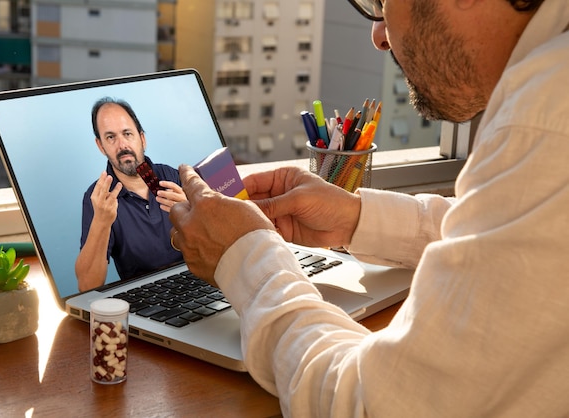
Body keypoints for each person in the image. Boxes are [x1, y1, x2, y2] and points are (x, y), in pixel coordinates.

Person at [168, 0, 569, 416]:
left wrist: (247, 261)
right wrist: (355, 218)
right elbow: (513, 234)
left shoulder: (543, 122)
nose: (379, 36)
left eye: (382, 4)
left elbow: (369, 404)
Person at [75, 97, 186, 292]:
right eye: (111, 137)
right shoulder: (98, 197)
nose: (122, 145)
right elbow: (88, 285)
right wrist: (101, 221)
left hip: (197, 281)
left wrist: (193, 214)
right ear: (101, 146)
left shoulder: (172, 176)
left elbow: (220, 245)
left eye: (127, 134)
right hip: (146, 300)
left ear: (142, 139)